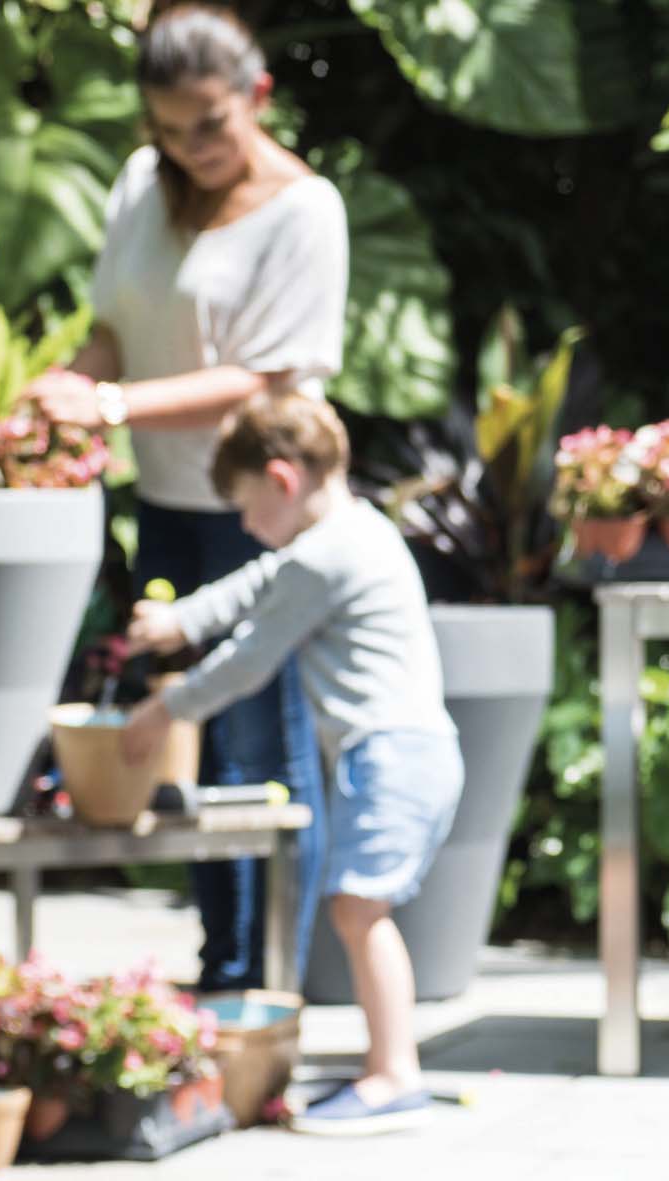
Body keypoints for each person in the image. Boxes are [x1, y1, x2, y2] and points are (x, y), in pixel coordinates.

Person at [26, 3, 346, 992]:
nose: (189, 146)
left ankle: (268, 985)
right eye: (167, 128)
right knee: (179, 728)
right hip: (165, 501)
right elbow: (114, 330)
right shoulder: (140, 185)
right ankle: (221, 963)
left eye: (208, 122)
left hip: (263, 515)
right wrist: (55, 394)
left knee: (257, 735)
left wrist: (111, 403)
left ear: (256, 94)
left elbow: (263, 379)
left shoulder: (306, 211)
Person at [122, 394, 461, 1135]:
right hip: (400, 751)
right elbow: (258, 586)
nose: (244, 526)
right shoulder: (349, 531)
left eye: (245, 508)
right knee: (361, 910)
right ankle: (388, 1061)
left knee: (358, 910)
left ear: (281, 479)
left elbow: (250, 658)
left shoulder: (328, 552)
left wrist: (163, 712)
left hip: (394, 753)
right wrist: (180, 620)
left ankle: (395, 1073)